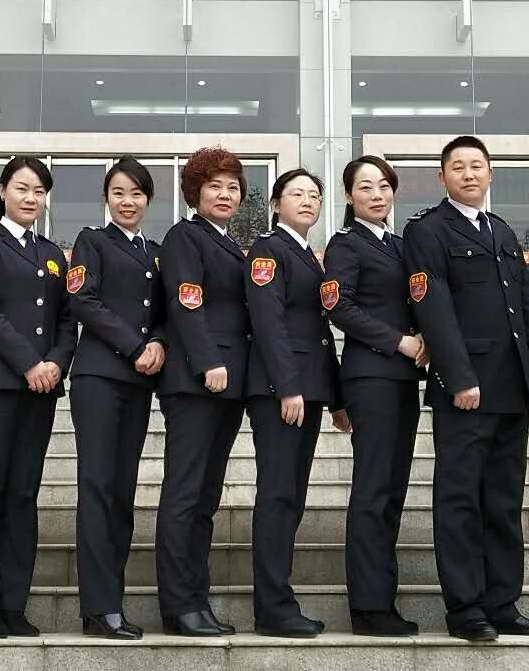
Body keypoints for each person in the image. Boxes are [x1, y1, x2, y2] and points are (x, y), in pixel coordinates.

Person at [402, 135, 529, 643]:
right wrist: (458, 377)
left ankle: (502, 603)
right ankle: (466, 609)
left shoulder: (502, 230)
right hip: (465, 390)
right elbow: (433, 307)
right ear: (442, 177)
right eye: (458, 167)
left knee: (503, 499)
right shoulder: (427, 230)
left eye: (477, 166)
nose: (468, 174)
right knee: (460, 500)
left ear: (490, 174)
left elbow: (525, 305)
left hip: (512, 386)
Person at [0, 156, 76, 638]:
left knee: (23, 495)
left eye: (39, 191)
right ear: (2, 190)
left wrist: (56, 363)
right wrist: (29, 362)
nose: (30, 198)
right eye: (22, 188)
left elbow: (67, 317)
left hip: (41, 389)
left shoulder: (52, 252)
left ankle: (13, 602)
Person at [323, 155, 427, 636]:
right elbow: (338, 306)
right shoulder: (345, 244)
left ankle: (382, 598)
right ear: (349, 196)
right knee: (373, 489)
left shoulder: (402, 245)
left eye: (384, 185)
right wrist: (397, 341)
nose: (377, 194)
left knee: (392, 489)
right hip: (371, 377)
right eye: (365, 187)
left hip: (404, 379)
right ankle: (367, 606)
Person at [243, 168, 347, 639]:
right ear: (275, 204)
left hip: (309, 389)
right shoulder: (269, 250)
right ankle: (272, 608)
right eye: (297, 194)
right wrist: (287, 387)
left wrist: (336, 397)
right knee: (279, 495)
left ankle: (279, 600)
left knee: (292, 496)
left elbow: (318, 333)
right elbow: (268, 322)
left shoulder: (306, 254)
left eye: (314, 196)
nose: (307, 201)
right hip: (281, 393)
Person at [65, 157, 167, 640]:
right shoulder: (93, 241)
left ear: (149, 199)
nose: (128, 202)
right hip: (99, 378)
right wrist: (135, 346)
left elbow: (166, 310)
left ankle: (114, 603)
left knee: (122, 493)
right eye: (119, 193)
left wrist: (160, 342)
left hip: (139, 382)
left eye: (137, 193)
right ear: (106, 198)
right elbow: (83, 300)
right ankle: (98, 608)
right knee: (99, 488)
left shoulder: (155, 252)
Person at [155, 147, 251, 637]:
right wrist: (208, 360)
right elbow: (186, 302)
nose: (225, 194)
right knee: (184, 493)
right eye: (215, 186)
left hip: (229, 385)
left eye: (233, 187)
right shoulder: (184, 237)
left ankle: (197, 599)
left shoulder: (232, 244)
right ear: (195, 192)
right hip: (197, 382)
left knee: (206, 497)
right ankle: (178, 605)